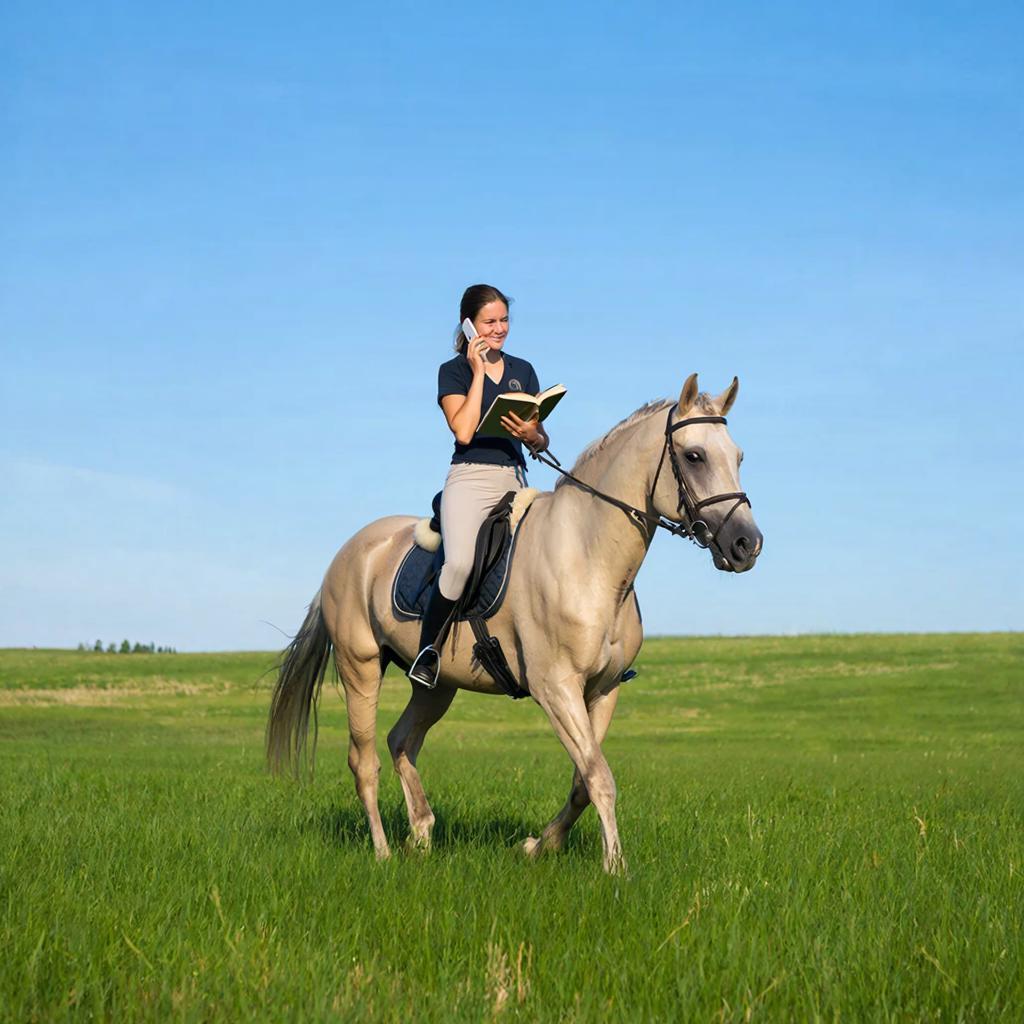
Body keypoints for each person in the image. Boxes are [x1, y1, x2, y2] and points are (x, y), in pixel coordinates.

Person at [408, 284, 550, 688]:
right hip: (470, 477)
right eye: (490, 322)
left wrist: (532, 434)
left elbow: (542, 439)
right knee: (458, 564)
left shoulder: (523, 371)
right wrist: (477, 373)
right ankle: (427, 651)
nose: (500, 328)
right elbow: (465, 430)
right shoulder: (451, 371)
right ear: (469, 325)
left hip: (515, 478)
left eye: (504, 320)